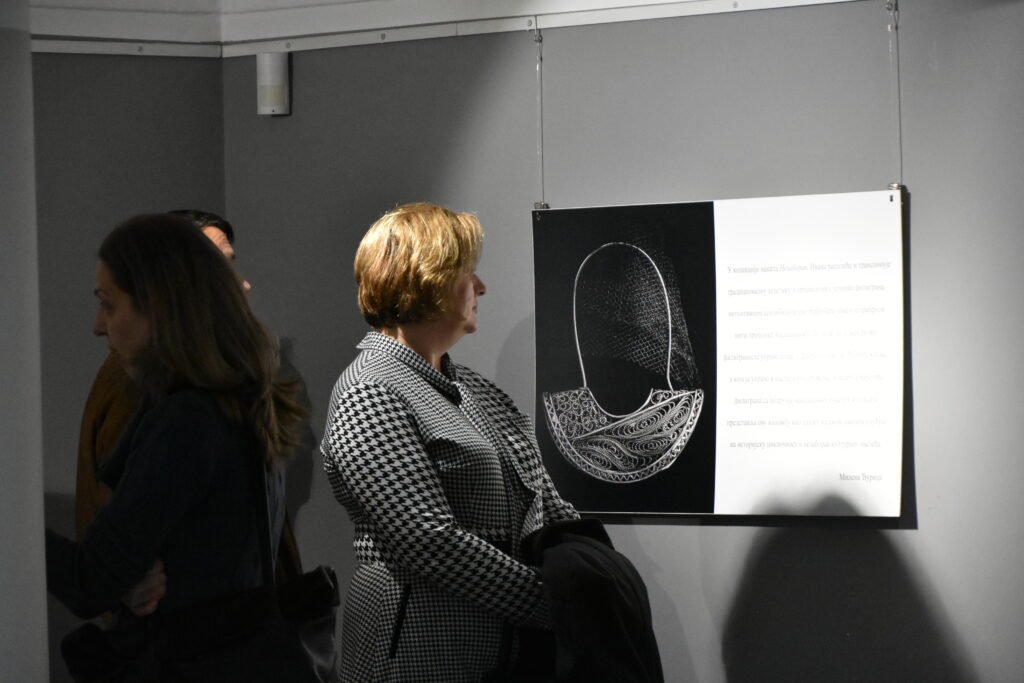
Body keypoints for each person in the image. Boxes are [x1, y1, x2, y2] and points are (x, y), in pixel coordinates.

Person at [320, 202, 580, 682]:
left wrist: (591, 569)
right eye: (467, 273)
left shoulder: (474, 390)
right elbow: (428, 541)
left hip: (498, 654)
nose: (481, 287)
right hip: (415, 655)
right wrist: (551, 602)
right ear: (426, 280)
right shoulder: (369, 392)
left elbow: (544, 498)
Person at [46, 213, 307, 674]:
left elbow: (91, 581)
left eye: (109, 304)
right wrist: (127, 576)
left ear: (159, 308)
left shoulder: (187, 419)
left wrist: (15, 531)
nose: (99, 325)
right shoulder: (238, 395)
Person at [73, 209, 303, 581]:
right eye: (220, 267)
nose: (242, 284)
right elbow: (117, 541)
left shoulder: (212, 385)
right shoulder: (140, 380)